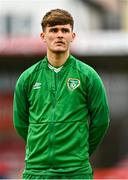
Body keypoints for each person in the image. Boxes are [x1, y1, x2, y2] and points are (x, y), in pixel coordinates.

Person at [13, 8, 110, 179]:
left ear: (72, 36)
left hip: (76, 172)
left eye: (65, 30)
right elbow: (21, 123)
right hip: (37, 171)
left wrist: (80, 151)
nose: (59, 35)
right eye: (53, 30)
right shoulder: (27, 78)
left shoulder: (88, 76)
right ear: (43, 36)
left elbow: (101, 121)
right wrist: (40, 146)